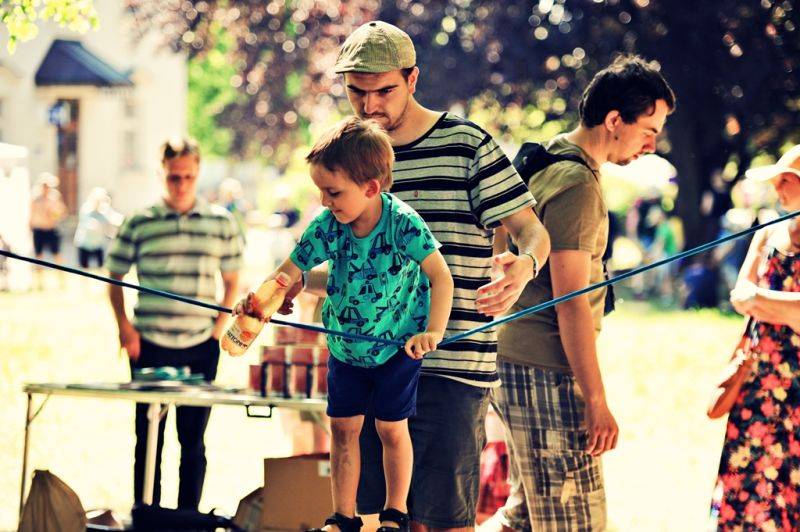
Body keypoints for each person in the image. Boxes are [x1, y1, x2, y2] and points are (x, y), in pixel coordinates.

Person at [290, 21, 550, 530]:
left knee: (445, 520)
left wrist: (526, 266)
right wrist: (295, 282)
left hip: (451, 362)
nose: (369, 106)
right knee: (369, 518)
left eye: (384, 91)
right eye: (356, 92)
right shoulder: (346, 153)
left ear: (412, 79)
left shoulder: (467, 145)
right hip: (368, 359)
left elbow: (532, 231)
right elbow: (348, 264)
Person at [235, 117, 454, 531]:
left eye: (333, 192)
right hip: (346, 347)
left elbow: (441, 277)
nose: (324, 201)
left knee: (391, 428)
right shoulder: (327, 227)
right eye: (320, 190)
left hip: (397, 345)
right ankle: (343, 518)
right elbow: (286, 274)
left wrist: (433, 332)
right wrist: (259, 302)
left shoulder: (403, 223)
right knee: (341, 428)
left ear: (371, 187)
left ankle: (394, 514)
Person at [484, 55, 675, 531]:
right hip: (544, 368)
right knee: (577, 522)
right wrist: (596, 399)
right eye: (648, 131)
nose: (652, 144)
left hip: (513, 359)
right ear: (614, 121)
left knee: (525, 518)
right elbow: (570, 302)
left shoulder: (549, 157)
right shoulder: (576, 185)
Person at [105, 138, 243, 510]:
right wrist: (124, 327)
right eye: (173, 177)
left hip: (201, 345)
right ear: (161, 174)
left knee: (193, 441)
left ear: (198, 173)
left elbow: (233, 280)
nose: (181, 185)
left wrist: (218, 328)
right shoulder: (139, 221)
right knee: (148, 438)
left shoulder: (221, 222)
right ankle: (146, 514)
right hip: (148, 343)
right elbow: (114, 276)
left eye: (188, 177)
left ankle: (188, 519)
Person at [710, 144, 800, 530]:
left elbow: (754, 298)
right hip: (758, 381)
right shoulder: (767, 233)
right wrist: (782, 308)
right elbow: (739, 297)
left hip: (796, 388)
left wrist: (760, 302)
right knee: (747, 484)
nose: (778, 189)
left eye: (787, 181)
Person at [29, 172, 67, 287]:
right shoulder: (35, 198)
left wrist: (55, 214)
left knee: (57, 255)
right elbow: (31, 214)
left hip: (51, 229)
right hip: (39, 230)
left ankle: (61, 281)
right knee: (38, 256)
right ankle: (40, 283)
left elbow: (63, 213)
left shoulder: (55, 197)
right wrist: (30, 226)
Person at [74, 187, 122, 269]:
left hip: (98, 244)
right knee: (84, 269)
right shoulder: (86, 208)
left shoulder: (105, 209)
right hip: (84, 243)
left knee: (101, 268)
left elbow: (116, 220)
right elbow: (89, 224)